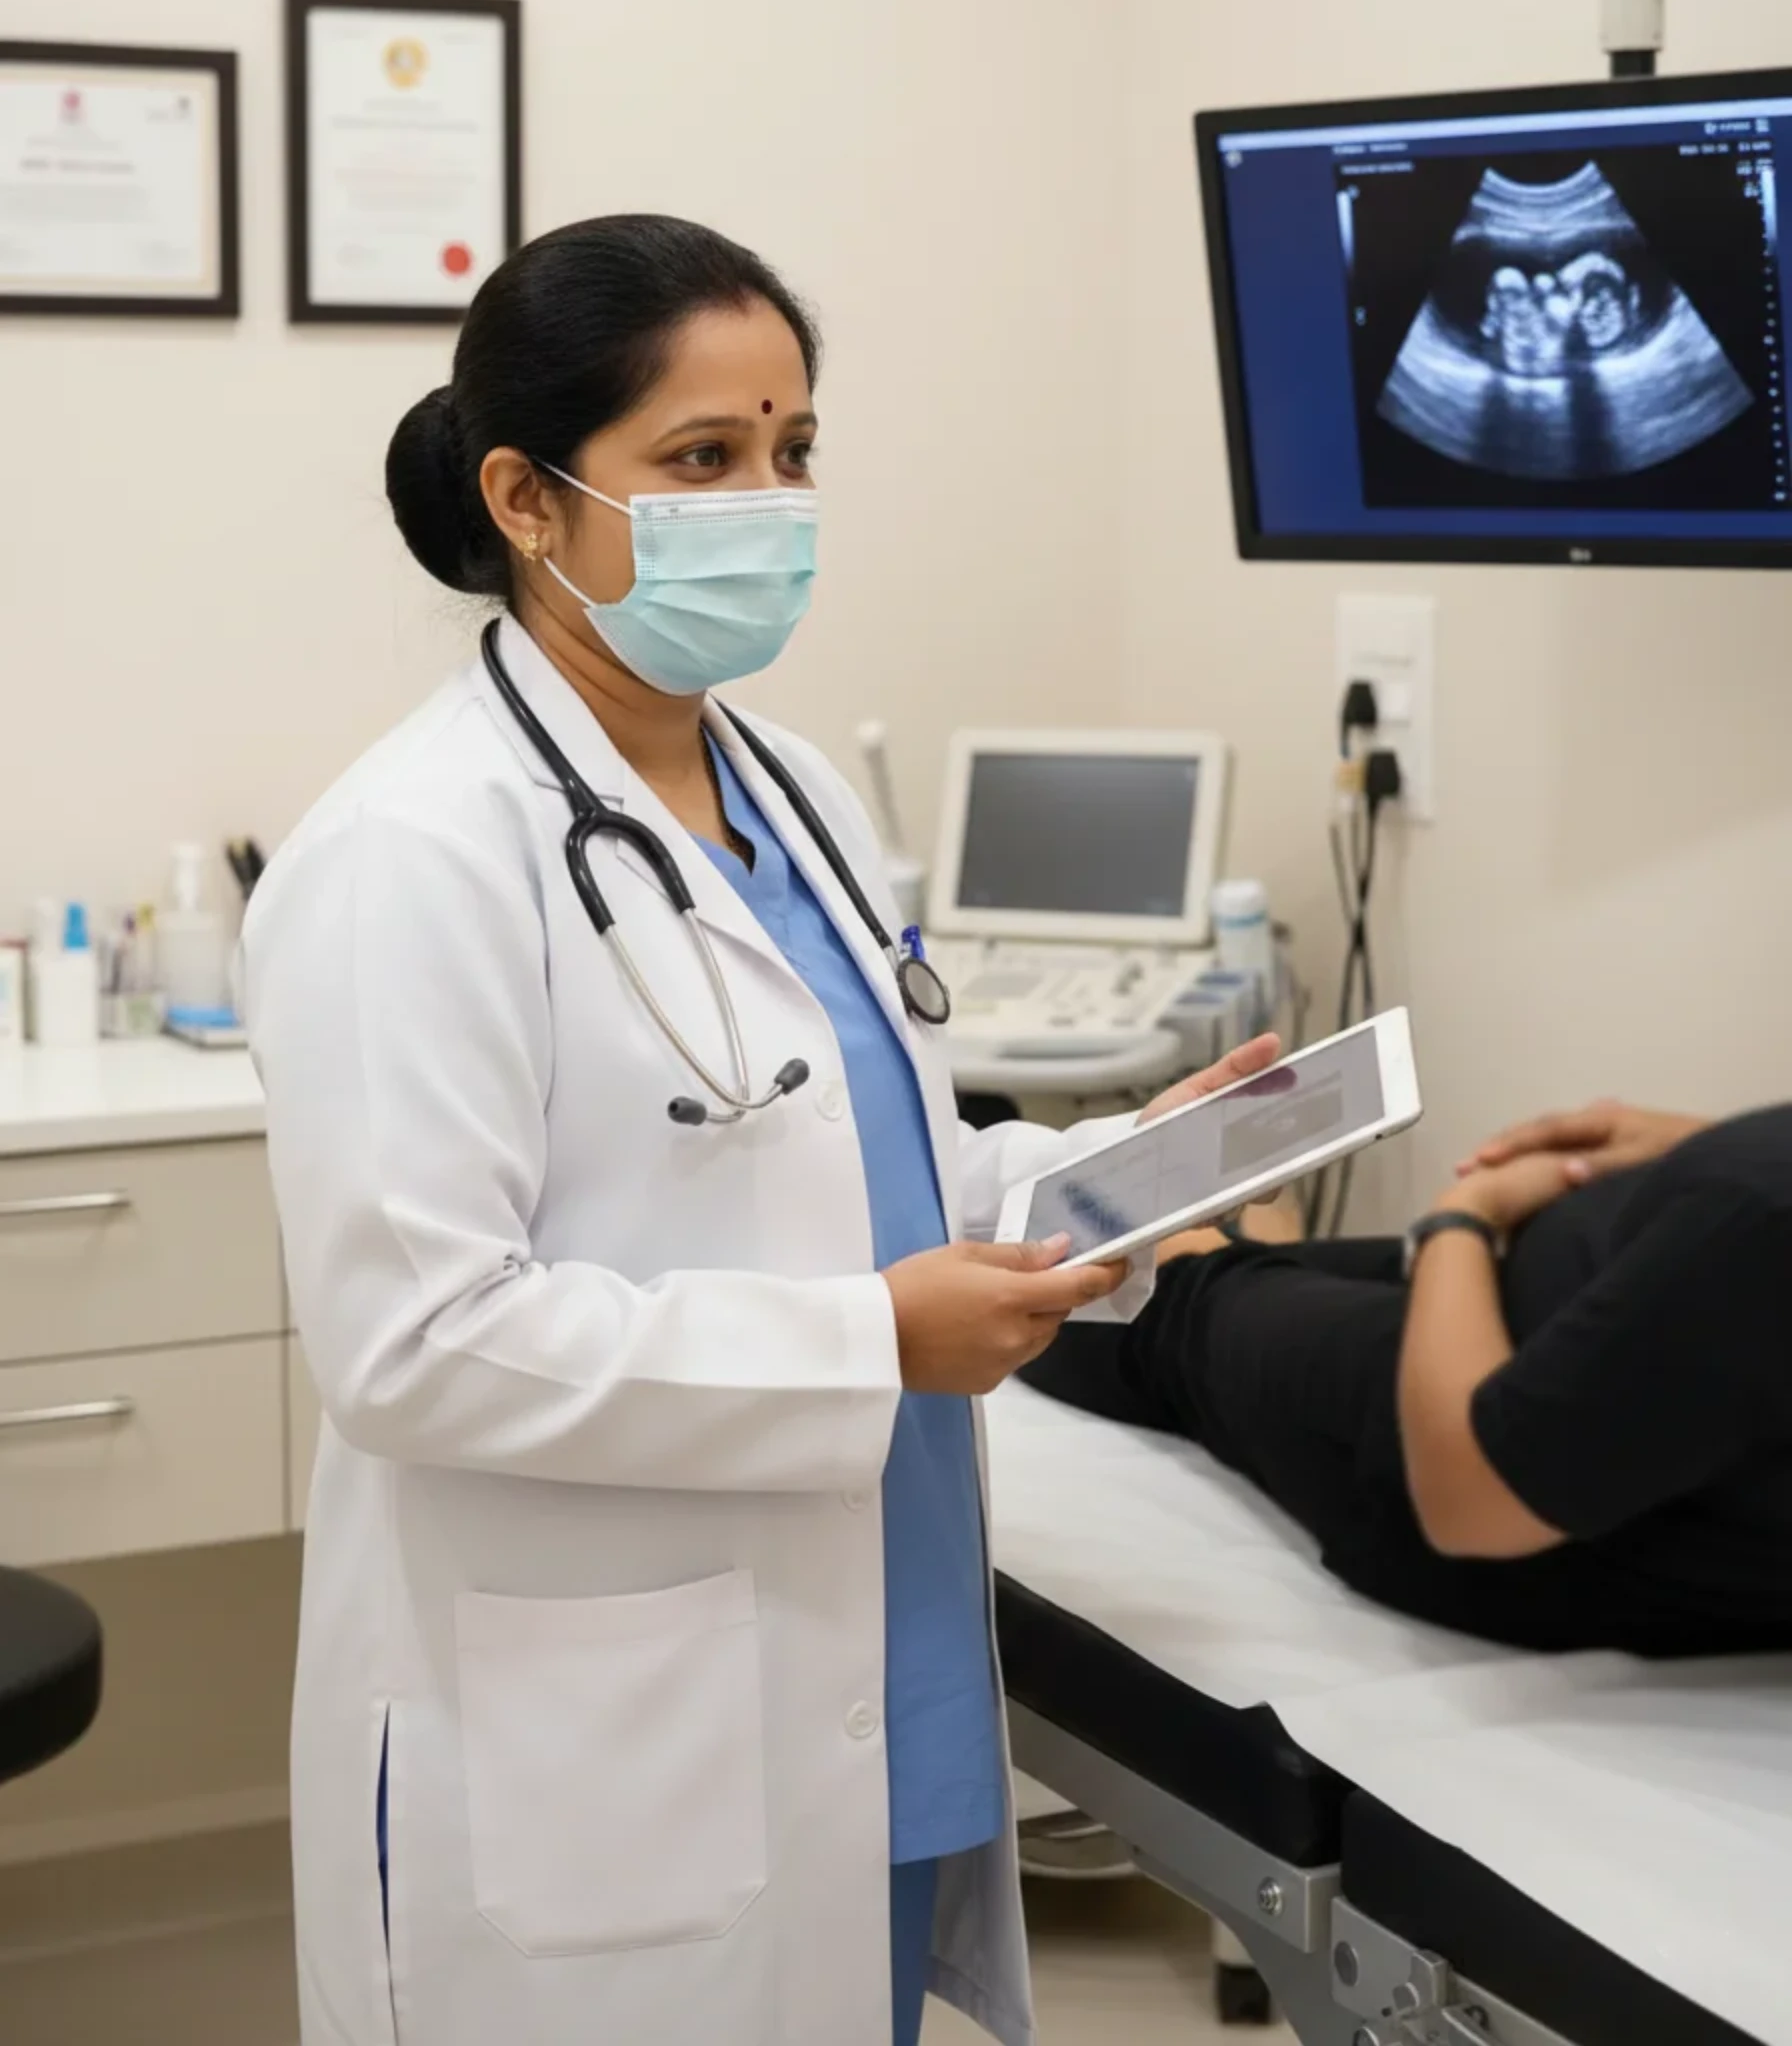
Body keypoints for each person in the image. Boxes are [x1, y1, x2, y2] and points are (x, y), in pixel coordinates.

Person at [242, 212, 1279, 2046]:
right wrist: (874, 1336)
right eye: (702, 457)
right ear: (530, 499)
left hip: (861, 1650)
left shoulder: (783, 781)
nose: (769, 497)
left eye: (792, 448)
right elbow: (415, 1345)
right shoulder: (410, 851)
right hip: (613, 1738)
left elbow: (870, 1164)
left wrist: (1118, 1166)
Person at [1022, 1095, 1792, 1657]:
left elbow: (1469, 1503)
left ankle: (1240, 1249)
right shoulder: (1753, 1221)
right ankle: (1253, 1244)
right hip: (1577, 1307)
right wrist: (1702, 1153)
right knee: (1225, 1259)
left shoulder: (1760, 1221)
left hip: (1459, 1442)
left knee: (1155, 1296)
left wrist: (1460, 1221)